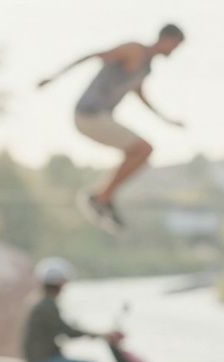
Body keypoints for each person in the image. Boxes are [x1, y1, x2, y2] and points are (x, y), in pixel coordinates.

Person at [37, 24, 186, 232]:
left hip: (99, 117)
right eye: (175, 45)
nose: (174, 51)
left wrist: (166, 119)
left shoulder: (146, 67)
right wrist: (53, 77)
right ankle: (101, 198)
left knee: (140, 152)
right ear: (167, 39)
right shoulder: (134, 50)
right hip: (88, 115)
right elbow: (92, 56)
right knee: (143, 149)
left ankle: (103, 197)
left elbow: (140, 94)